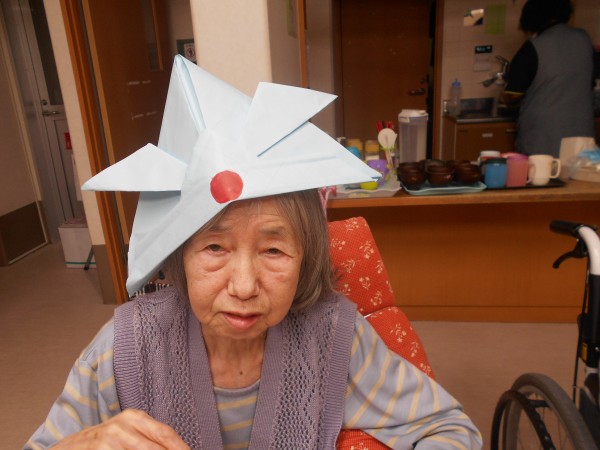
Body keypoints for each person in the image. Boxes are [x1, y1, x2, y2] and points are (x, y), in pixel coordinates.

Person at [25, 56, 482, 449]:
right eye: (214, 247)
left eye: (274, 250)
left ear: (306, 257)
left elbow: (448, 427)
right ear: (179, 255)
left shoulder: (335, 338)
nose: (244, 287)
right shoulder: (123, 349)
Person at [503, 0, 595, 157]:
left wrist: (504, 97)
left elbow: (512, 96)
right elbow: (589, 83)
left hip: (543, 140)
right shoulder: (584, 39)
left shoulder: (533, 47)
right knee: (578, 172)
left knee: (541, 172)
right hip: (583, 138)